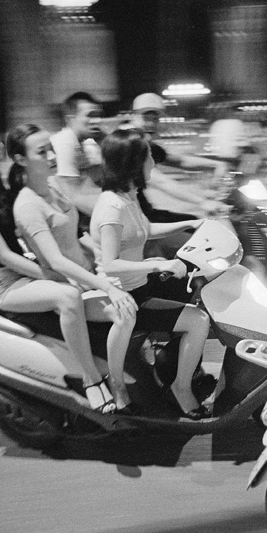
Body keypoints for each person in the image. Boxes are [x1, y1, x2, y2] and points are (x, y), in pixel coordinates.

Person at [0, 116, 116, 414]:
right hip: (3, 284)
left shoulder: (3, 185)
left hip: (25, 272)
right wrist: (53, 274)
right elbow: (3, 256)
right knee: (68, 296)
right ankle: (91, 379)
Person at [7, 123, 141, 415]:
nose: (52, 156)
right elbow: (55, 260)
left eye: (52, 149)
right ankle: (106, 382)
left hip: (91, 274)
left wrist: (106, 256)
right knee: (125, 314)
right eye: (42, 152)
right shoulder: (28, 205)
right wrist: (105, 285)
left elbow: (77, 235)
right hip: (74, 285)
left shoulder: (54, 187)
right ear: (20, 160)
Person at [90, 128, 211, 420]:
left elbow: (147, 230)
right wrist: (157, 264)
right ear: (134, 163)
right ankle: (171, 387)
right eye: (148, 157)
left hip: (141, 285)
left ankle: (180, 369)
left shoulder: (129, 197)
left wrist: (193, 224)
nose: (153, 163)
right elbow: (110, 264)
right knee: (198, 321)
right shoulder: (112, 207)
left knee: (201, 292)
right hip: (125, 295)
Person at [131, 92, 229, 219]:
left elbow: (180, 161)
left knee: (195, 223)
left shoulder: (146, 144)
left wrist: (217, 164)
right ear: (133, 117)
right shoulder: (129, 144)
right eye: (145, 118)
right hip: (129, 222)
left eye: (155, 119)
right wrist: (203, 202)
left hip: (143, 214)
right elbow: (160, 181)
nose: (150, 124)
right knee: (198, 230)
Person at [50, 91, 106, 221]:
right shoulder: (65, 141)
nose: (96, 121)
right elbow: (74, 196)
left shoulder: (83, 144)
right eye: (90, 116)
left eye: (98, 115)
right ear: (70, 119)